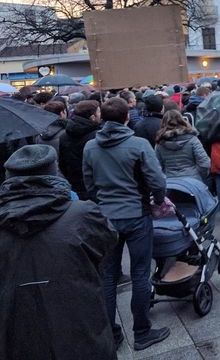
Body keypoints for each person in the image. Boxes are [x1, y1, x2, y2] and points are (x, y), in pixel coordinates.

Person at [0, 145, 118, 359]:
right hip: (83, 333)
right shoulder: (83, 214)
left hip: (19, 341)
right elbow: (107, 244)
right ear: (54, 171)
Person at [82, 97, 170, 351]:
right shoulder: (138, 144)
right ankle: (142, 332)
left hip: (107, 216)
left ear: (102, 118)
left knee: (108, 277)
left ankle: (110, 334)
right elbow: (157, 180)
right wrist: (159, 200)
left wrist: (101, 203)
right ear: (127, 117)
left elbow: (89, 183)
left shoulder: (91, 147)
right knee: (140, 272)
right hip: (136, 214)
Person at [58, 100, 101, 200]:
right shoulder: (96, 136)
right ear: (93, 117)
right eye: (99, 112)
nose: (101, 115)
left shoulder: (64, 135)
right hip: (93, 186)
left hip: (74, 185)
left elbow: (62, 163)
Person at [154, 110, 210, 181]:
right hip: (192, 179)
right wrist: (198, 176)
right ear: (181, 120)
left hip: (169, 181)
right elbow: (204, 163)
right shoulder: (192, 139)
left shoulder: (160, 143)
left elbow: (157, 166)